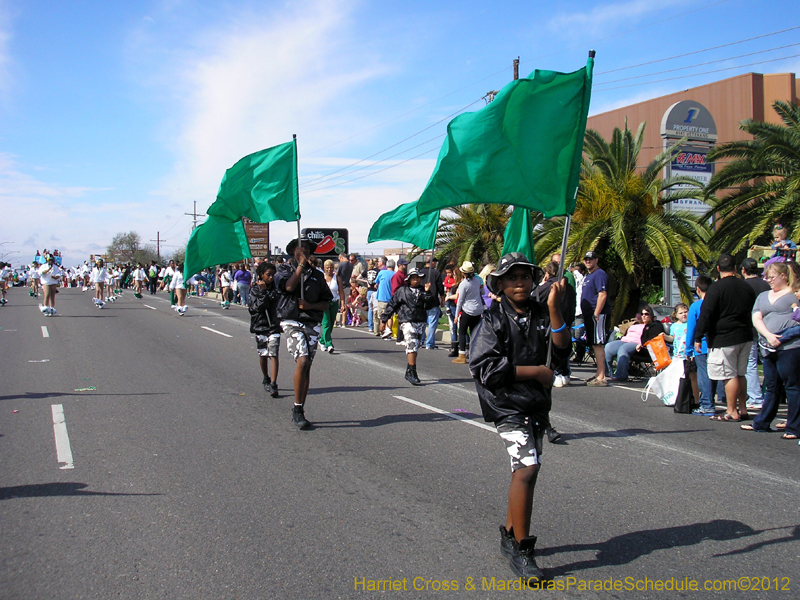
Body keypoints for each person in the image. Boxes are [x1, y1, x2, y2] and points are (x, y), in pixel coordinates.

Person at [469, 253, 570, 583]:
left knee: (528, 470)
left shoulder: (542, 312)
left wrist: (555, 307)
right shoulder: (491, 319)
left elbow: (563, 351)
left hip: (537, 405)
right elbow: (486, 368)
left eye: (525, 277)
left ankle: (510, 534)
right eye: (511, 278)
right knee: (527, 467)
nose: (519, 283)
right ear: (499, 285)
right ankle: (525, 552)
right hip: (507, 405)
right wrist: (536, 372)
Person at [274, 234, 333, 430]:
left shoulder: (316, 275)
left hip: (311, 323)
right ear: (293, 250)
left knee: (307, 366)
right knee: (303, 359)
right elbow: (289, 286)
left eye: (308, 248)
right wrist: (299, 266)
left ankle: (299, 407)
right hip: (291, 321)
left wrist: (310, 305)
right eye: (301, 247)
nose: (305, 250)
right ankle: (297, 410)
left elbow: (327, 303)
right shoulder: (283, 270)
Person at [695, 254, 757, 422]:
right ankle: (743, 408)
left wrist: (698, 337)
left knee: (729, 375)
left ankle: (732, 411)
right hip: (745, 335)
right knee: (741, 373)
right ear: (736, 268)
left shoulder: (716, 288)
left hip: (724, 337)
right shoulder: (746, 287)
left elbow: (706, 314)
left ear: (718, 269)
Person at [743, 262, 800, 438]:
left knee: (792, 386)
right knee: (772, 386)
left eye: (772, 277)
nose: (768, 281)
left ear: (783, 276)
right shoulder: (763, 296)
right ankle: (762, 422)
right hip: (768, 346)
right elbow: (756, 317)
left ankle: (794, 427)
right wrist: (768, 335)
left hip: (790, 346)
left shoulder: (794, 293)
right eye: (766, 277)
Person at [380, 269, 438, 385]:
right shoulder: (402, 291)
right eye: (413, 278)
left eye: (418, 278)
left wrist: (427, 293)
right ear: (409, 279)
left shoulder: (423, 290)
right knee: (412, 343)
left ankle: (409, 370)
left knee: (416, 345)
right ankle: (412, 371)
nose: (416, 280)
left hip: (420, 321)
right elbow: (392, 305)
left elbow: (430, 305)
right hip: (407, 321)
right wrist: (384, 319)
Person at [686, 275, 724, 416]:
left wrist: (688, 349)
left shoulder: (696, 306)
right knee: (714, 373)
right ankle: (713, 400)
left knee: (704, 375)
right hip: (715, 342)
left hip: (700, 345)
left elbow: (691, 329)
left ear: (698, 289)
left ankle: (707, 404)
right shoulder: (718, 304)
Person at [741, 258, 771, 409]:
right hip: (768, 327)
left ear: (743, 270)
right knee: (768, 361)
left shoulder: (744, 286)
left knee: (750, 364)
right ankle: (771, 394)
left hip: (750, 328)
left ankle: (755, 397)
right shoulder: (766, 285)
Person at [249, 262, 280, 398]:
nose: (271, 278)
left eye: (273, 275)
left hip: (273, 326)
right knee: (263, 354)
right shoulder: (255, 290)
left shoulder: (276, 289)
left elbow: (276, 302)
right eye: (268, 275)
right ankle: (266, 377)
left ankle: (273, 383)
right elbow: (256, 308)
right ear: (261, 275)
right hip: (261, 326)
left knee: (273, 352)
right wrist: (262, 292)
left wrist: (268, 292)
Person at [581, 251, 612, 386]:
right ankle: (598, 373)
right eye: (586, 259)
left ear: (596, 260)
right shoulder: (589, 276)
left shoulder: (599, 274)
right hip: (589, 315)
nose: (588, 261)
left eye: (591, 259)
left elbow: (602, 294)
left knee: (598, 343)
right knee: (594, 343)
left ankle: (601, 376)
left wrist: (596, 313)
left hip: (597, 315)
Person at [452, 261, 484, 364]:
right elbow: (482, 292)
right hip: (478, 310)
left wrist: (456, 315)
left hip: (467, 310)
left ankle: (462, 355)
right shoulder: (478, 281)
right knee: (475, 333)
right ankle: (475, 354)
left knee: (462, 332)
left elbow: (460, 300)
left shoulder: (463, 284)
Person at [419, 256, 445, 349]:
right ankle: (429, 344)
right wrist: (442, 297)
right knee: (432, 324)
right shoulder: (436, 273)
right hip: (433, 301)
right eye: (435, 262)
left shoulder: (420, 273)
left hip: (422, 301)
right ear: (432, 262)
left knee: (422, 323)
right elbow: (440, 287)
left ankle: (421, 341)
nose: (436, 264)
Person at [320, 259, 340, 353]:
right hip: (324, 303)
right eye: (327, 267)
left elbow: (341, 292)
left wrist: (343, 303)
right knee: (326, 323)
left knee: (331, 323)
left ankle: (321, 341)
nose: (329, 269)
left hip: (334, 302)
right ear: (324, 268)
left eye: (331, 267)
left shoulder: (337, 278)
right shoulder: (321, 277)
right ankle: (329, 344)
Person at [443, 264, 461, 357]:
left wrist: (449, 296)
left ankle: (465, 347)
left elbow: (457, 296)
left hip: (457, 306)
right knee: (452, 328)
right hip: (451, 305)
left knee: (460, 328)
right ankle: (454, 347)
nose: (452, 276)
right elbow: (445, 285)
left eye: (454, 274)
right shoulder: (449, 281)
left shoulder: (460, 284)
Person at [374, 257, 394, 337]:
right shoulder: (395, 274)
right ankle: (388, 330)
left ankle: (385, 330)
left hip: (382, 298)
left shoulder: (382, 273)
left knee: (382, 315)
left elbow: (376, 282)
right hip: (391, 298)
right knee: (390, 316)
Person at [336, 253, 356, 325]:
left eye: (339, 259)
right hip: (347, 286)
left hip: (339, 286)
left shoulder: (341, 265)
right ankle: (343, 322)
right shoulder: (351, 265)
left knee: (336, 303)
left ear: (341, 257)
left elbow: (336, 274)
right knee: (344, 304)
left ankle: (335, 322)